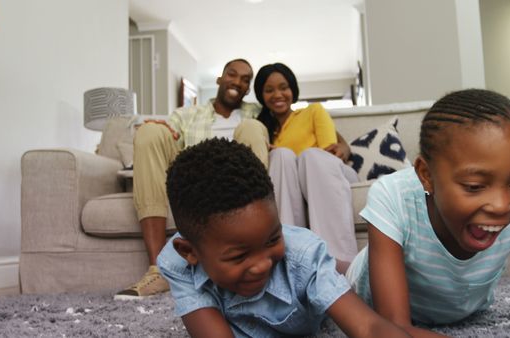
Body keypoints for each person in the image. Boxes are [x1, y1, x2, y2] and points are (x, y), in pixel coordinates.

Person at [346, 89, 510, 337]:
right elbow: (394, 327)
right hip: (363, 286)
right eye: (474, 186)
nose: (500, 205)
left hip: (461, 308)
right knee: (338, 272)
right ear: (426, 176)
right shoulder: (393, 196)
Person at [157, 138, 412, 338]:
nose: (262, 264)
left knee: (352, 273)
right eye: (239, 256)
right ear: (189, 252)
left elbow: (369, 328)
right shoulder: (177, 263)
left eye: (271, 239)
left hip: (312, 269)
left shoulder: (303, 256)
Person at [114, 58, 270, 300]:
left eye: (245, 79)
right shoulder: (187, 114)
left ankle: (254, 258)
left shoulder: (258, 114)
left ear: (249, 89)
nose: (237, 81)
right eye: (232, 74)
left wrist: (341, 144)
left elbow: (294, 122)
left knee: (252, 127)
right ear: (220, 78)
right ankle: (158, 270)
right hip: (193, 176)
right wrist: (158, 129)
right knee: (150, 132)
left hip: (240, 179)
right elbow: (167, 134)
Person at [254, 63, 359, 270]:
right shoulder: (264, 131)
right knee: (281, 155)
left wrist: (344, 147)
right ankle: (290, 259)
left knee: (310, 156)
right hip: (295, 188)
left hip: (327, 174)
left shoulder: (313, 111)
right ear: (261, 96)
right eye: (269, 90)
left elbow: (329, 153)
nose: (278, 94)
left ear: (292, 89)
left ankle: (338, 262)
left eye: (283, 87)